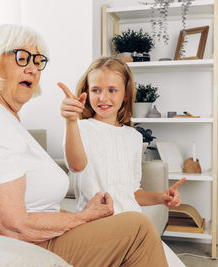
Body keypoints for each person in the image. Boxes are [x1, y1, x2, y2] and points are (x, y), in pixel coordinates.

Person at [0, 24, 168, 267]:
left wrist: (79, 218)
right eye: (22, 58)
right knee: (136, 228)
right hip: (11, 248)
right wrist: (83, 218)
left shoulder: (3, 117)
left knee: (133, 229)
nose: (33, 68)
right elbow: (9, 224)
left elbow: (30, 208)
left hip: (34, 239)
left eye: (38, 61)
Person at [59, 57, 187, 266]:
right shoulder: (80, 128)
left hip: (133, 227)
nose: (103, 98)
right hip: (97, 226)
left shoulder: (134, 137)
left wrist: (161, 197)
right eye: (96, 90)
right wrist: (70, 121)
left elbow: (132, 193)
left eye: (112, 90)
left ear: (126, 95)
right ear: (86, 92)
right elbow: (76, 165)